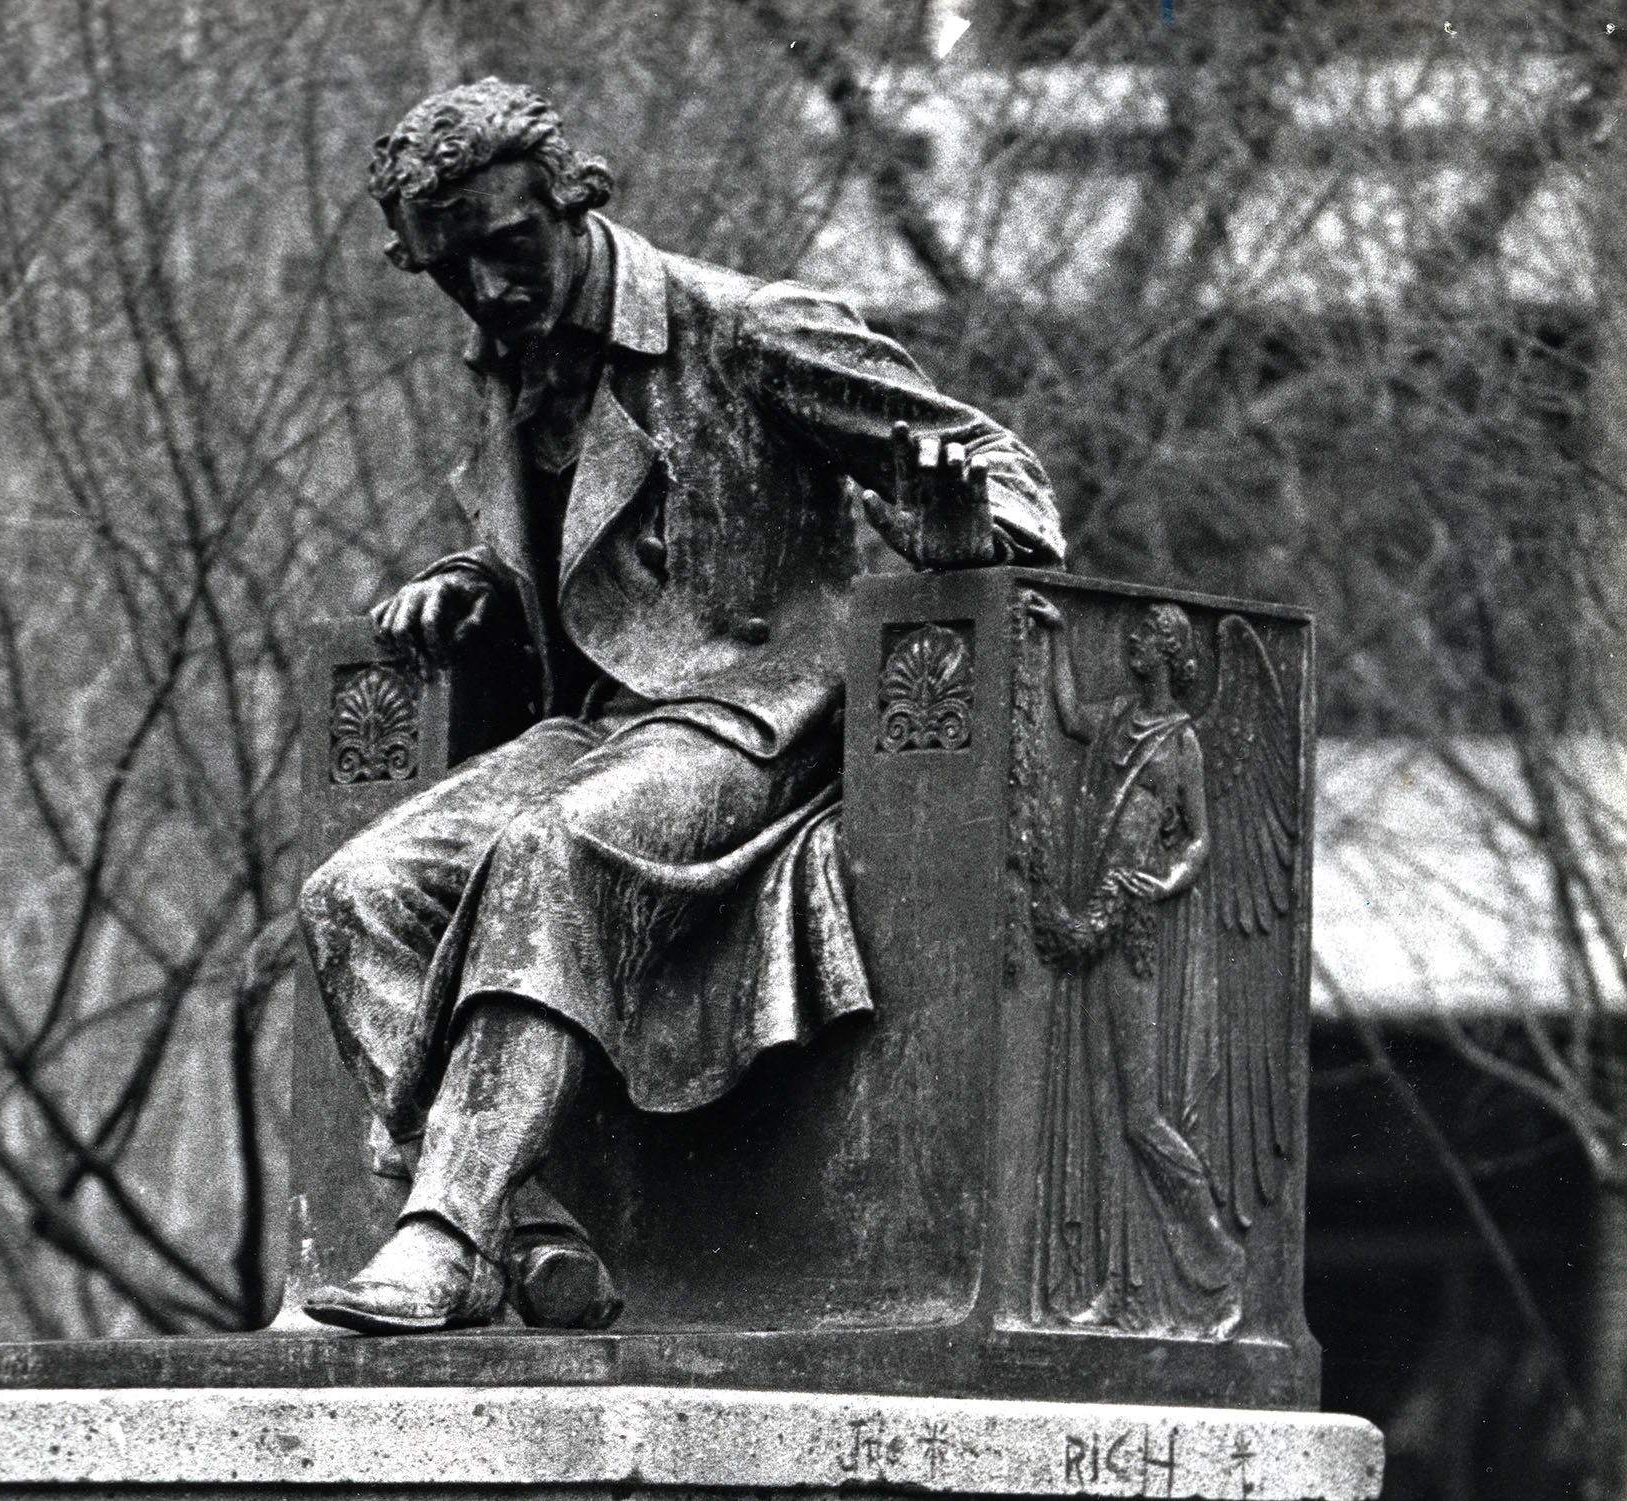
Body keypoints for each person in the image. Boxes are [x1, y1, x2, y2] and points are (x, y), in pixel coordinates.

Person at [294, 78, 1063, 1334]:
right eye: (450, 270)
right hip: (598, 728)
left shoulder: (746, 326)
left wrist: (970, 529)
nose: (487, 290)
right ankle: (526, 1229)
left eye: (506, 247)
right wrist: (465, 578)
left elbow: (996, 463)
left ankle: (438, 1235)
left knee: (553, 851)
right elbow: (588, 556)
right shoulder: (514, 355)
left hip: (755, 718)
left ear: (570, 197)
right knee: (354, 895)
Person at [1023, 597, 1244, 1338]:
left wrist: (1170, 880)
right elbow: (1067, 713)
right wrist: (1055, 637)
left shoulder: (1181, 742)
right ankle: (1120, 1289)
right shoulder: (1116, 719)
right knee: (1106, 1112)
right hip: (1095, 926)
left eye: (1142, 641)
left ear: (1167, 650)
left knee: (1141, 1116)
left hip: (1136, 929)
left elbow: (1200, 841)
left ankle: (1215, 1254)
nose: (1129, 649)